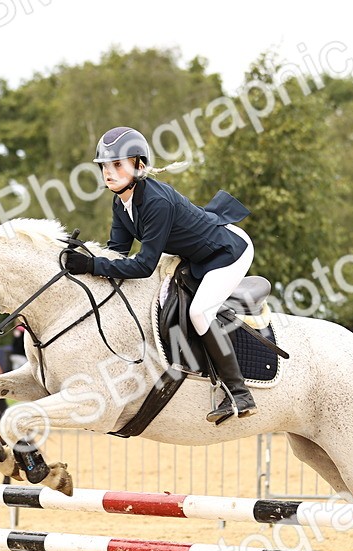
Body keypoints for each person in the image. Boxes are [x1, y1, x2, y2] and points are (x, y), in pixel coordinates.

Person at [61, 126, 256, 423]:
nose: (108, 173)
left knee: (200, 313)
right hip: (197, 252)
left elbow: (143, 266)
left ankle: (240, 393)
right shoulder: (121, 202)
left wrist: (91, 266)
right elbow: (117, 253)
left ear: (139, 165)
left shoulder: (156, 202)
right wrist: (88, 256)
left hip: (228, 251)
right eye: (104, 166)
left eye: (117, 165)